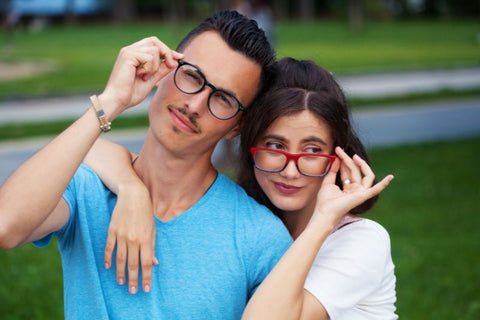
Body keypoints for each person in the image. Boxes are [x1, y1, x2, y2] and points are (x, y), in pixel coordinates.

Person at [0, 10, 292, 319]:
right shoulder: (87, 188)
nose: (194, 105)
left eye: (222, 99)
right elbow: (6, 225)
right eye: (192, 76)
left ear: (237, 126)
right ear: (166, 69)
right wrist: (111, 101)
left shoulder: (259, 236)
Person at [88, 57, 397, 319]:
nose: (290, 171)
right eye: (275, 145)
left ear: (338, 156)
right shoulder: (251, 222)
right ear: (249, 145)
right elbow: (92, 152)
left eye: (312, 151)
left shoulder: (362, 242)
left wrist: (323, 220)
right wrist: (132, 189)